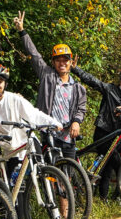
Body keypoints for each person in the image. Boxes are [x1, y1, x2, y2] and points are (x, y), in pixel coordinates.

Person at [0, 63, 61, 219]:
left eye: (0, 82)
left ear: (5, 84)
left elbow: (34, 113)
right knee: (17, 188)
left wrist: (54, 123)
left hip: (28, 144)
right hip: (9, 149)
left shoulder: (14, 99)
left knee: (44, 179)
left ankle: (56, 217)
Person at [13, 11, 87, 158]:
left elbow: (81, 108)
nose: (62, 63)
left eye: (65, 60)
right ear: (53, 62)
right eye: (58, 60)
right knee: (50, 175)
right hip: (49, 133)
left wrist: (77, 122)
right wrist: (22, 31)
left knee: (67, 175)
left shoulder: (77, 87)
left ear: (71, 63)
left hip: (67, 136)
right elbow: (34, 55)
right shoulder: (47, 76)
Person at [71, 63, 121, 200]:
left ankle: (103, 199)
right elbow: (93, 81)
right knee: (119, 167)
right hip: (103, 133)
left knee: (106, 170)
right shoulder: (110, 89)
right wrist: (75, 69)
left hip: (118, 137)